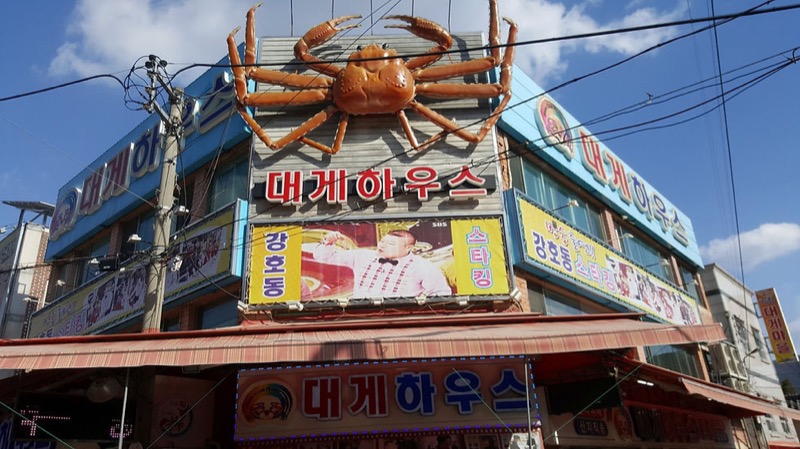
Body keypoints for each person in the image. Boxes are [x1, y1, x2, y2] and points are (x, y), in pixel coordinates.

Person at [313, 229, 451, 299]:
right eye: (382, 241)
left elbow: (442, 293)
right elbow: (323, 258)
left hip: (399, 319)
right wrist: (328, 242)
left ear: (408, 248)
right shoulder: (363, 256)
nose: (382, 246)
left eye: (391, 244)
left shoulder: (423, 266)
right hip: (359, 315)